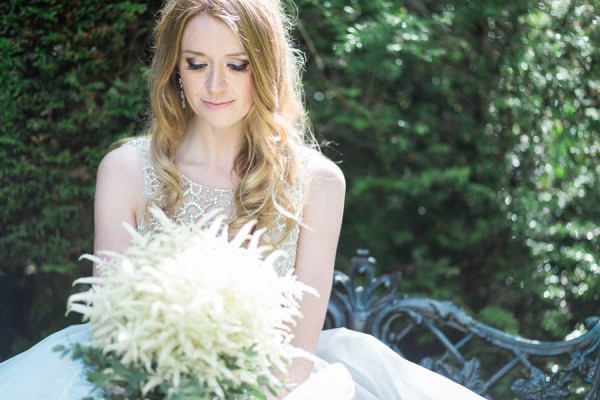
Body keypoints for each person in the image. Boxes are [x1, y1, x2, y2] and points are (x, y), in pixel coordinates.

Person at [0, 0, 485, 399]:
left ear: (268, 68)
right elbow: (109, 332)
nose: (216, 85)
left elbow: (296, 355)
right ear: (174, 69)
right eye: (197, 64)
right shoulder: (127, 170)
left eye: (237, 65)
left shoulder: (318, 183)